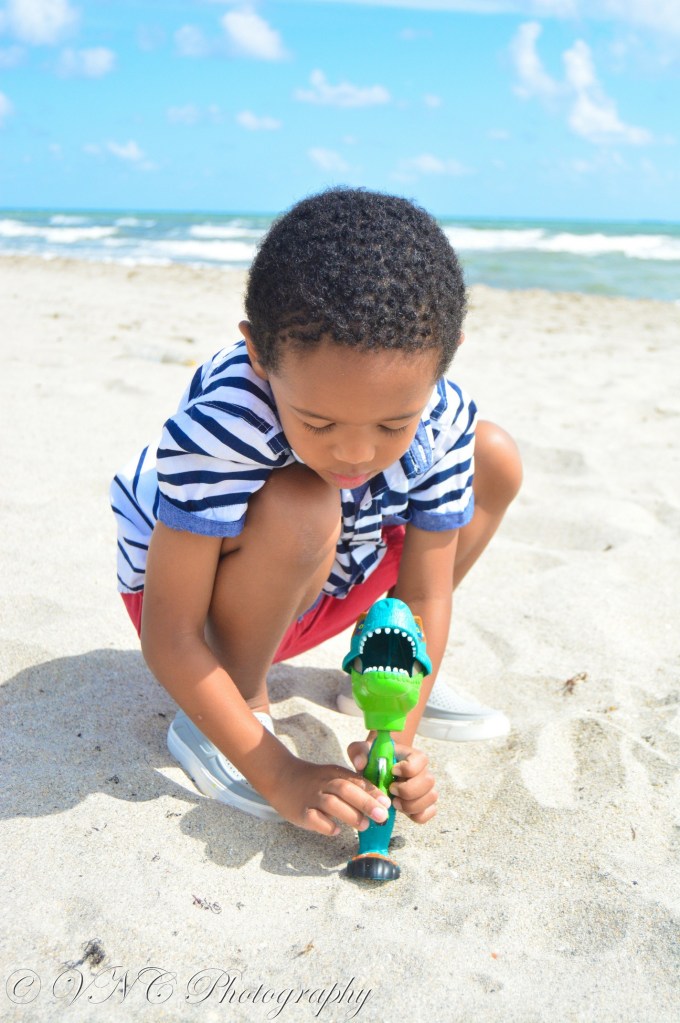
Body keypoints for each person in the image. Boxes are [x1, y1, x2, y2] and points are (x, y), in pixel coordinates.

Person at [110, 187, 522, 837]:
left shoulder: (442, 416)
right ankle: (231, 708)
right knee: (305, 497)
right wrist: (279, 771)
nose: (356, 453)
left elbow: (425, 593)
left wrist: (395, 736)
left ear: (445, 359)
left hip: (328, 573)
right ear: (258, 353)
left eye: (393, 423)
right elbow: (169, 633)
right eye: (319, 422)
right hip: (202, 603)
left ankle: (383, 671)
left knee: (493, 456)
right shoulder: (226, 423)